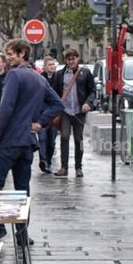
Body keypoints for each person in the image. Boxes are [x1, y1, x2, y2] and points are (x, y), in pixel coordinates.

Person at [0, 38, 65, 244]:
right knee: (23, 189)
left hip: (9, 140)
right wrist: (39, 123)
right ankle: (22, 234)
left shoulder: (14, 75)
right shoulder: (38, 78)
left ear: (22, 54)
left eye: (11, 54)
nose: (7, 58)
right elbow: (58, 104)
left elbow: (5, 109)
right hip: (27, 142)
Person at [49, 47, 95, 178]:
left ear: (77, 58)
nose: (71, 61)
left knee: (78, 139)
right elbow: (54, 92)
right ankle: (64, 167)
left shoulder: (85, 73)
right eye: (68, 59)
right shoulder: (59, 74)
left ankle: (78, 167)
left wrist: (88, 103)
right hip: (65, 111)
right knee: (64, 137)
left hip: (79, 111)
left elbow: (92, 91)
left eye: (73, 59)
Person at [37, 56, 59, 173]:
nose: (52, 66)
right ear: (45, 67)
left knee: (52, 140)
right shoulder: (40, 79)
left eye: (53, 64)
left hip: (55, 114)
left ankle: (48, 161)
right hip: (42, 113)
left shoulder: (58, 78)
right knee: (42, 139)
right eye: (50, 65)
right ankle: (43, 161)